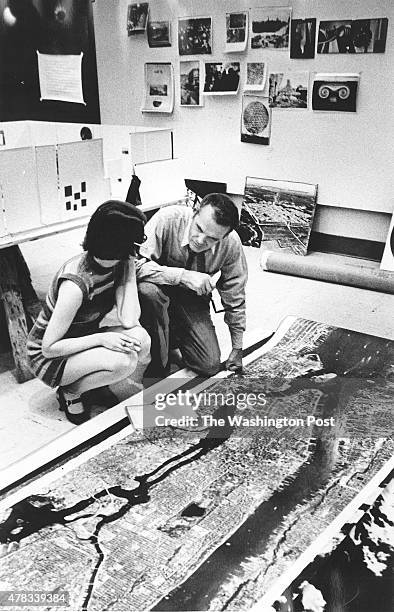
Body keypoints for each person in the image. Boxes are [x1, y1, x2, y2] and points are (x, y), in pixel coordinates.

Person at [27, 200, 151, 424]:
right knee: (123, 362)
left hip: (81, 340)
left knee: (140, 340)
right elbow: (48, 348)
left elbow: (130, 318)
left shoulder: (118, 264)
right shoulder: (76, 283)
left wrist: (130, 268)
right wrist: (103, 339)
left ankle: (92, 383)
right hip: (51, 357)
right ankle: (71, 391)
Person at [136, 194, 247, 378]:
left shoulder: (232, 243)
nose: (201, 240)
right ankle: (159, 357)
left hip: (193, 299)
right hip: (156, 291)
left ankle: (173, 337)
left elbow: (235, 295)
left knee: (209, 366)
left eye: (212, 238)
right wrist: (183, 276)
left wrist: (237, 346)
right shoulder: (167, 218)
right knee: (148, 291)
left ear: (224, 236)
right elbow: (134, 267)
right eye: (199, 228)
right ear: (194, 213)